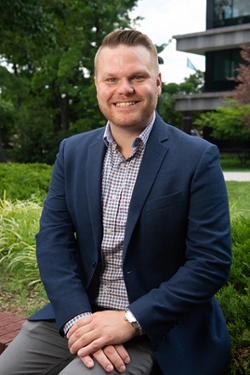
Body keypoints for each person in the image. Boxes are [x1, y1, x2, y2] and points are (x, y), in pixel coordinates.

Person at [0, 29, 232, 375]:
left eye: (137, 77)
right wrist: (79, 319)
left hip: (159, 326)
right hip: (77, 312)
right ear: (97, 85)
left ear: (157, 81)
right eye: (112, 79)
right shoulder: (73, 152)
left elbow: (210, 262)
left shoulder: (197, 158)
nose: (125, 89)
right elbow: (53, 242)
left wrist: (129, 320)